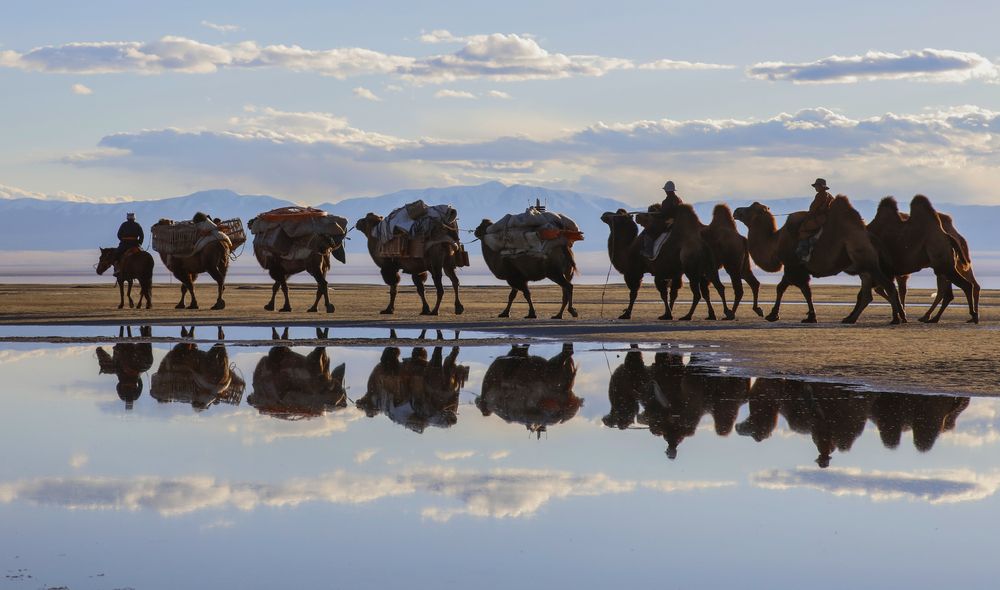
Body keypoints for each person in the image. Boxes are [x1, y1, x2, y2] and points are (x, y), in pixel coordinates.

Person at [795, 178, 835, 262]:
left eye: (817, 186)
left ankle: (804, 251)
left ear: (821, 186)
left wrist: (809, 214)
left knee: (803, 228)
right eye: (815, 186)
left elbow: (813, 208)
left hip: (820, 218)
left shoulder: (820, 195)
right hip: (825, 218)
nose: (815, 188)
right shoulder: (828, 195)